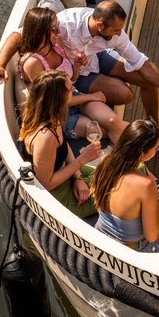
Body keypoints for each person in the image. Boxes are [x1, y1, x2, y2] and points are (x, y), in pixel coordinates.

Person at [0, 1, 159, 144]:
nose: (119, 35)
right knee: (125, 95)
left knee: (148, 81)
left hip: (91, 62)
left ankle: (157, 129)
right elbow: (18, 35)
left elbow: (141, 61)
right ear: (100, 25)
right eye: (115, 31)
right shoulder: (63, 25)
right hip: (74, 84)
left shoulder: (59, 44)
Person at [17, 7, 127, 142]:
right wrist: (92, 96)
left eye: (57, 27)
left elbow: (73, 78)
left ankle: (148, 138)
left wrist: (76, 65)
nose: (58, 32)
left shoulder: (56, 45)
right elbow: (55, 101)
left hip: (74, 96)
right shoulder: (32, 63)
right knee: (101, 130)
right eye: (53, 29)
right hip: (58, 113)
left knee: (112, 121)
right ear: (40, 31)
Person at [18, 71, 102, 217]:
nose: (74, 90)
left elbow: (62, 143)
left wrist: (78, 177)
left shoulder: (43, 116)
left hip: (69, 176)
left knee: (123, 167)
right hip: (62, 199)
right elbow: (46, 183)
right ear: (58, 99)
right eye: (69, 89)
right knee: (127, 180)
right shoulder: (46, 137)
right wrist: (82, 160)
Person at [90, 119, 159, 253]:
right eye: (156, 148)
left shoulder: (106, 162)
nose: (157, 150)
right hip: (132, 250)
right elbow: (152, 236)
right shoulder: (145, 185)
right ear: (142, 152)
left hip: (102, 235)